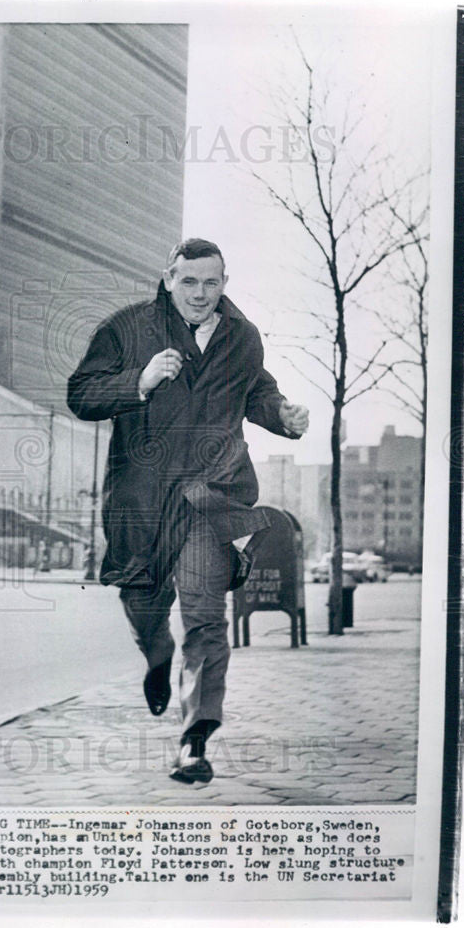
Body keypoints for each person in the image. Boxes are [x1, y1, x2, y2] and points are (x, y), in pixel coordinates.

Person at [67, 238, 309, 784]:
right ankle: (156, 654)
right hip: (143, 499)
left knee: (205, 617)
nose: (200, 293)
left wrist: (283, 415)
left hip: (208, 495)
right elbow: (80, 394)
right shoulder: (127, 329)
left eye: (211, 282)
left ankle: (195, 740)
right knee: (144, 604)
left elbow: (258, 393)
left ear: (225, 283)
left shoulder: (242, 337)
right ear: (169, 278)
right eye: (189, 281)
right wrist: (140, 382)